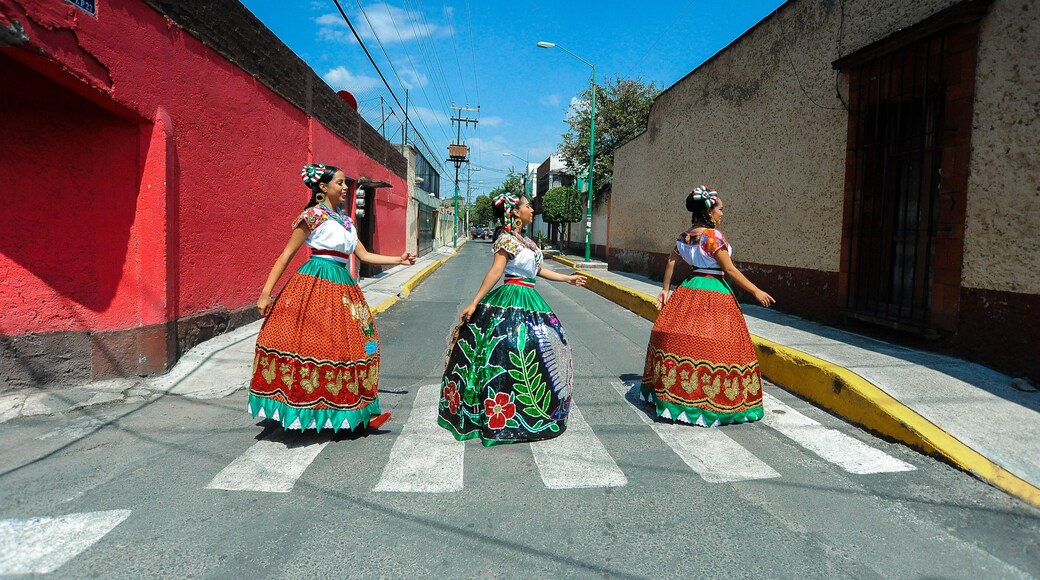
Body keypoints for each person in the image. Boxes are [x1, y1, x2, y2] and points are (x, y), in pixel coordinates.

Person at [249, 163, 416, 432]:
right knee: (315, 346)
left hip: (344, 286)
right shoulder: (313, 216)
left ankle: (357, 410)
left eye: (345, 182)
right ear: (323, 187)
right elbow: (286, 255)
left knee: (360, 345)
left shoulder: (346, 221)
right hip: (315, 282)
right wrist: (266, 293)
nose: (345, 187)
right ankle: (308, 408)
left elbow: (363, 255)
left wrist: (400, 260)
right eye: (339, 183)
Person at [438, 193, 587, 446]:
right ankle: (499, 411)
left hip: (531, 297)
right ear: (516, 212)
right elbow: (496, 271)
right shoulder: (506, 239)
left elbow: (537, 270)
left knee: (543, 349)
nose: (532, 210)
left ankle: (532, 412)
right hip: (511, 296)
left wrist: (567, 279)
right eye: (528, 206)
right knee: (505, 350)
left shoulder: (527, 242)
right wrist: (475, 302)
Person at [641, 185, 775, 427]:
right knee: (720, 342)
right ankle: (711, 402)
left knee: (687, 339)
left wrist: (665, 289)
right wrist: (755, 290)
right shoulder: (713, 237)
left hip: (690, 286)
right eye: (720, 209)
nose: (722, 213)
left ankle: (676, 397)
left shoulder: (685, 236)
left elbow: (671, 261)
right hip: (714, 289)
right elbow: (729, 269)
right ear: (709, 212)